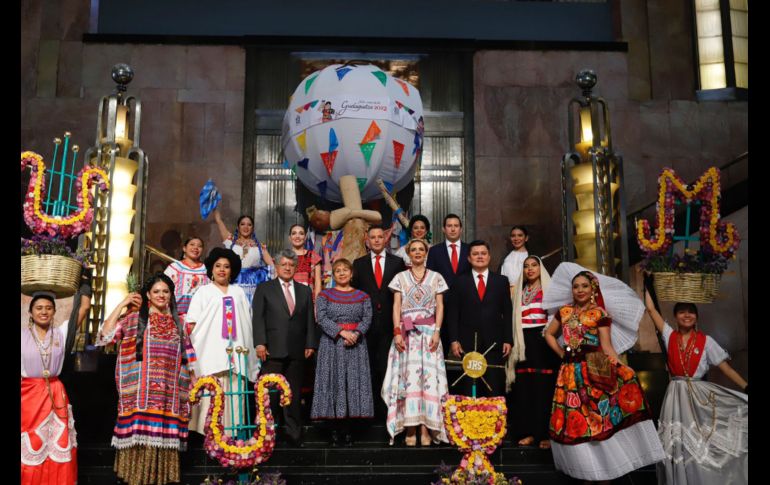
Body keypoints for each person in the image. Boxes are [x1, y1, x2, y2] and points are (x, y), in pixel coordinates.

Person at [542, 264, 664, 482]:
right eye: (576, 287)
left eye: (584, 286)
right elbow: (549, 334)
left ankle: (605, 472)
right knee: (574, 421)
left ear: (593, 289)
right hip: (569, 373)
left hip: (594, 367)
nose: (580, 290)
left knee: (598, 421)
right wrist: (562, 354)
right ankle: (587, 472)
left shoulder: (599, 314)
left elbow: (606, 347)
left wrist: (623, 368)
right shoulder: (564, 311)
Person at [643, 290, 748, 485]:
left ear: (696, 316)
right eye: (682, 311)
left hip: (698, 395)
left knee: (699, 439)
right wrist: (647, 282)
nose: (687, 315)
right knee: (677, 441)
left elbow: (725, 368)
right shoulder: (669, 335)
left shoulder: (706, 341)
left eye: (691, 312)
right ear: (675, 317)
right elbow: (650, 309)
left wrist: (746, 386)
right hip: (675, 394)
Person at [96, 273, 190, 485]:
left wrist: (191, 388)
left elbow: (189, 361)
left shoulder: (179, 324)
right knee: (137, 456)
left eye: (165, 291)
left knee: (164, 458)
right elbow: (105, 336)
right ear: (147, 294)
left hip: (168, 400)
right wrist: (123, 303)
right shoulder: (134, 320)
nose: (161, 295)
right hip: (139, 397)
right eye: (156, 291)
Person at [382, 238, 449, 447]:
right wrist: (397, 333)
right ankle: (410, 427)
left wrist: (437, 332)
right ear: (408, 254)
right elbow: (396, 307)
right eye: (414, 250)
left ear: (426, 253)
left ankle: (426, 427)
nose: (418, 253)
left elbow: (440, 306)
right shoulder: (400, 277)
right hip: (407, 334)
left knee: (428, 381)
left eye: (421, 249)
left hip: (429, 333)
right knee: (408, 380)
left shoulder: (436, 277)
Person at [184, 247, 258, 435]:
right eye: (218, 266)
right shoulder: (203, 292)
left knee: (234, 396)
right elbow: (192, 324)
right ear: (212, 269)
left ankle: (232, 436)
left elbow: (246, 323)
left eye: (226, 266)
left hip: (237, 354)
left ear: (231, 270)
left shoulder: (239, 292)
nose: (222, 270)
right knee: (211, 396)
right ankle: (207, 435)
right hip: (210, 353)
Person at [253, 249, 318, 447]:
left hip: (298, 350)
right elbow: (258, 318)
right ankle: (270, 434)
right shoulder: (264, 288)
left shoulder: (305, 290)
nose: (288, 268)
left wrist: (310, 343)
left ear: (296, 267)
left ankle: (294, 435)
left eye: (291, 265)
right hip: (272, 350)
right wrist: (260, 342)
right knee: (271, 395)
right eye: (284, 265)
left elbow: (309, 320)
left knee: (294, 394)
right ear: (277, 266)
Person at [311, 259, 374, 446]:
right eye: (337, 270)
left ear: (351, 273)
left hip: (356, 345)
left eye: (345, 270)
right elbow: (321, 318)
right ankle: (334, 431)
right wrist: (341, 332)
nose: (341, 273)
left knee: (352, 384)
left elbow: (367, 318)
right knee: (334, 382)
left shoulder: (363, 296)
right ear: (334, 275)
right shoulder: (325, 295)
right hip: (332, 344)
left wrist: (355, 333)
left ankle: (349, 431)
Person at [21, 292, 78, 485]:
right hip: (28, 394)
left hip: (56, 392)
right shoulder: (21, 336)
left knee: (57, 441)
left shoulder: (61, 332)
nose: (44, 311)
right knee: (32, 441)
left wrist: (85, 281)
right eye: (39, 308)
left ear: (54, 311)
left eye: (48, 308)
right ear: (30, 312)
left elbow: (84, 308)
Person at [505, 255, 559, 449]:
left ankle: (545, 434)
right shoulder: (520, 291)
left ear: (540, 268)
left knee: (543, 389)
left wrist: (546, 336)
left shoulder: (549, 290)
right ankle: (527, 433)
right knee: (524, 389)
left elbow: (555, 317)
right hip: (522, 342)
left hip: (542, 340)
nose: (530, 269)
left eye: (534, 265)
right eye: (526, 266)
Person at [446, 240, 513, 397]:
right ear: (469, 258)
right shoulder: (459, 281)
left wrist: (508, 339)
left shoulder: (501, 281)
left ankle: (494, 420)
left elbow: (507, 312)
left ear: (489, 257)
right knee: (470, 385)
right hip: (467, 343)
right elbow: (453, 313)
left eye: (483, 253)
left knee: (494, 384)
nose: (480, 257)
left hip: (495, 343)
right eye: (475, 254)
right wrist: (454, 340)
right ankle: (471, 419)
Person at [352, 225, 406, 419]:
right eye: (372, 237)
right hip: (365, 325)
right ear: (367, 240)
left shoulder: (397, 262)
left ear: (385, 239)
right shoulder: (358, 264)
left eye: (379, 237)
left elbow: (402, 295)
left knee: (386, 366)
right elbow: (355, 295)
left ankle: (385, 411)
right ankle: (369, 409)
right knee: (367, 367)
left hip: (389, 324)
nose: (376, 240)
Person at [212, 209, 274, 303]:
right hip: (234, 281)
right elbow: (219, 221)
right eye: (242, 224)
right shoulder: (230, 241)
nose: (246, 227)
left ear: (252, 228)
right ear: (238, 227)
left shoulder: (259, 246)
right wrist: (214, 207)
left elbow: (272, 266)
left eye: (249, 225)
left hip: (253, 285)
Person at [164, 236, 210, 318]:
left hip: (200, 317)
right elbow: (163, 289)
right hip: (175, 316)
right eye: (192, 244)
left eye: (199, 246)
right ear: (184, 248)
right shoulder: (174, 268)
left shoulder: (206, 270)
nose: (195, 247)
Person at [288, 224, 322, 299]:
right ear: (289, 238)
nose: (297, 236)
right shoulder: (283, 256)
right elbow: (277, 283)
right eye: (294, 233)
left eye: (301, 233)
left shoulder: (314, 256)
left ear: (305, 237)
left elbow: (318, 284)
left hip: (307, 301)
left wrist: (317, 305)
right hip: (287, 301)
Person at [500, 225, 529, 296]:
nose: (516, 238)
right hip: (506, 293)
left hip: (524, 293)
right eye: (513, 236)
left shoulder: (531, 256)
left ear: (526, 238)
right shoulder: (506, 257)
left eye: (520, 235)